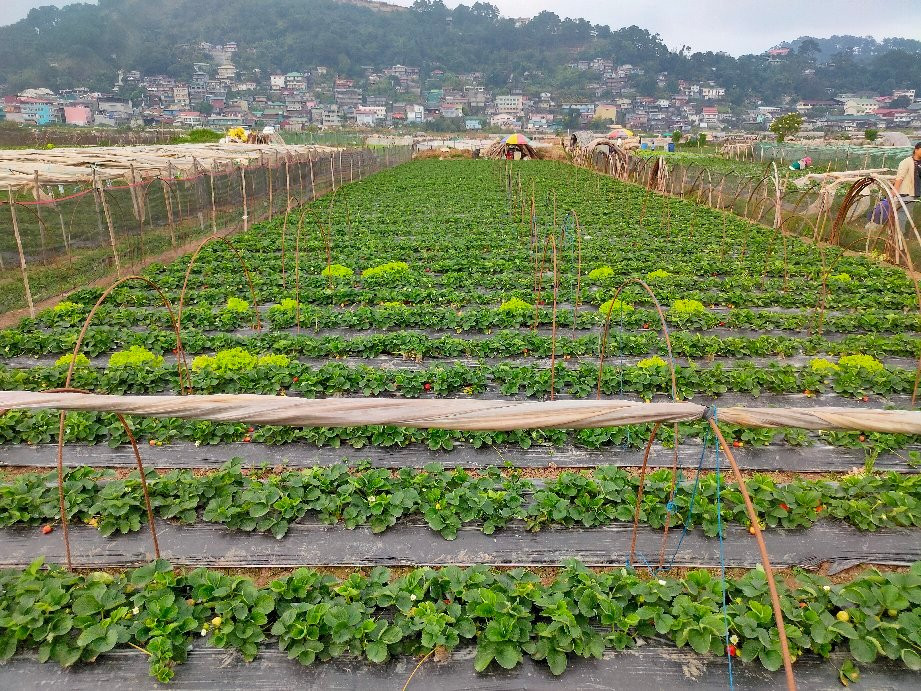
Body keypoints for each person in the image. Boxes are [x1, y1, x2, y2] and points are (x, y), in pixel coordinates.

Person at [892, 142, 921, 230]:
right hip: (905, 192)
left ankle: (901, 232)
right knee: (902, 213)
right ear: (916, 150)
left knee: (907, 213)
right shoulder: (906, 162)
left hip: (914, 193)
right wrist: (894, 191)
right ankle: (899, 235)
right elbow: (900, 177)